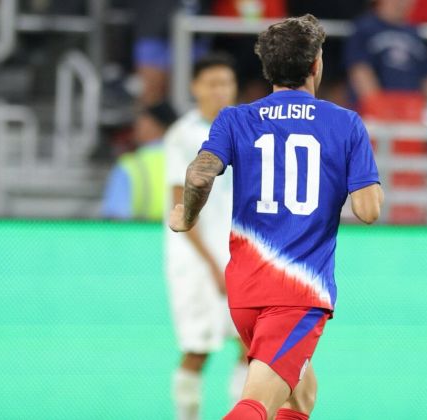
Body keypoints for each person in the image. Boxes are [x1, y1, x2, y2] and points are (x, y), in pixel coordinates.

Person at [169, 14, 384, 420]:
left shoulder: (235, 119)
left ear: (267, 69)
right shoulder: (344, 123)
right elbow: (368, 210)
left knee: (301, 396)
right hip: (297, 295)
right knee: (255, 404)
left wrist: (188, 216)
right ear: (316, 64)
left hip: (246, 293)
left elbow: (200, 172)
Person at [164, 53, 247, 419]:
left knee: (249, 345)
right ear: (195, 87)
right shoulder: (183, 136)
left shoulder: (245, 131)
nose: (220, 91)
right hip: (196, 261)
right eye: (212, 83)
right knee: (198, 348)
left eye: (226, 83)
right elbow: (180, 207)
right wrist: (214, 266)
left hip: (240, 257)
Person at [345, 0, 427, 121]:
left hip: (413, 113)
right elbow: (360, 72)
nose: (403, 3)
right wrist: (380, 110)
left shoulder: (417, 34)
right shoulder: (364, 29)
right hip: (376, 116)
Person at [101, 102, 177, 220]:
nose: (135, 127)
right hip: (181, 236)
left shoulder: (129, 165)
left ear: (152, 124)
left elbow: (116, 218)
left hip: (141, 236)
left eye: (140, 121)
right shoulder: (190, 161)